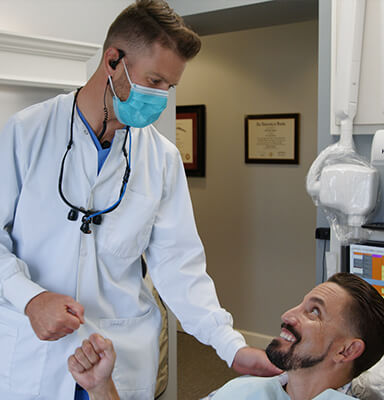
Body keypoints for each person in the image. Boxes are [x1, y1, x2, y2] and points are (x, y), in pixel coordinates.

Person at [0, 1, 279, 400]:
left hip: (120, 357)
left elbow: (179, 266)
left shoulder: (161, 158)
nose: (161, 96)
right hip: (36, 358)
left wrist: (229, 344)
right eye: (155, 80)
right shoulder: (26, 133)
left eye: (169, 86)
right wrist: (31, 300)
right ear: (113, 59)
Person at [68, 273, 384, 400]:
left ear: (347, 351)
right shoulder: (242, 393)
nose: (288, 315)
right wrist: (101, 388)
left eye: (314, 312)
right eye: (300, 304)